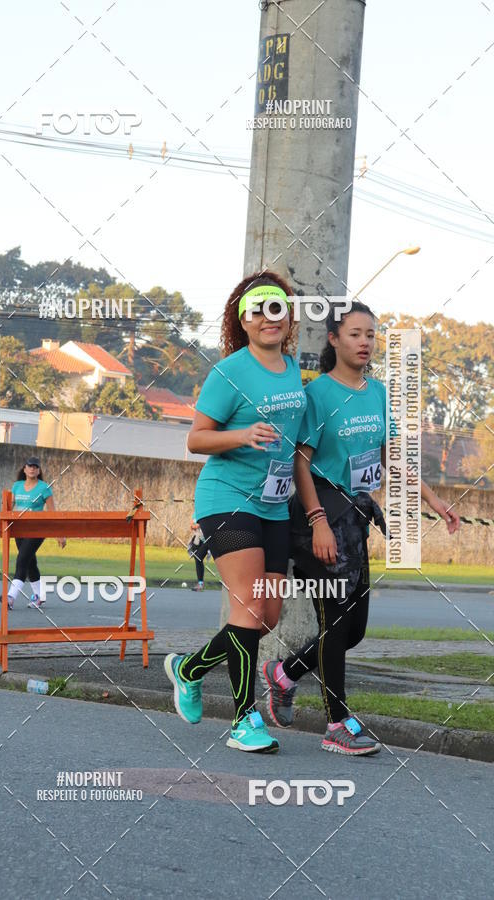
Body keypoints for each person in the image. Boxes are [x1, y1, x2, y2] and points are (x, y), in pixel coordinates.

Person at [262, 301, 460, 755]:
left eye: (370, 334)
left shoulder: (377, 393)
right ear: (334, 339)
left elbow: (391, 457)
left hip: (354, 518)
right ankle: (337, 723)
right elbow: (300, 462)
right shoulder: (319, 395)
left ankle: (284, 673)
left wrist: (435, 501)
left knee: (353, 631)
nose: (365, 342)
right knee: (335, 619)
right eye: (354, 334)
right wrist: (317, 523)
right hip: (318, 520)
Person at [164, 271, 308, 753]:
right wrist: (243, 435)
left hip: (273, 504)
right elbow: (196, 438)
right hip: (227, 498)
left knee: (267, 615)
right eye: (258, 310)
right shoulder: (229, 372)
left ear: (288, 318)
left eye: (278, 308)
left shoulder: (292, 369)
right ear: (242, 320)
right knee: (248, 606)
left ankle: (189, 669)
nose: (269, 318)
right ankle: (243, 720)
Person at [0, 456, 66, 609]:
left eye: (35, 467)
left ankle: (10, 597)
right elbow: (8, 510)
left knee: (22, 560)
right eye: (29, 466)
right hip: (19, 530)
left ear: (38, 470)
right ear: (24, 469)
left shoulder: (44, 488)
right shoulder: (17, 486)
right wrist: (0, 526)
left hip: (37, 530)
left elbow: (52, 513)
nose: (32, 469)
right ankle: (39, 596)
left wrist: (59, 534)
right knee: (30, 563)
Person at [188, 516, 210, 591]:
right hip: (199, 538)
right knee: (197, 559)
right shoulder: (195, 513)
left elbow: (208, 523)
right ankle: (200, 584)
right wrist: (194, 526)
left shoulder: (205, 511)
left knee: (199, 557)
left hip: (208, 538)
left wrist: (200, 524)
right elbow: (192, 525)